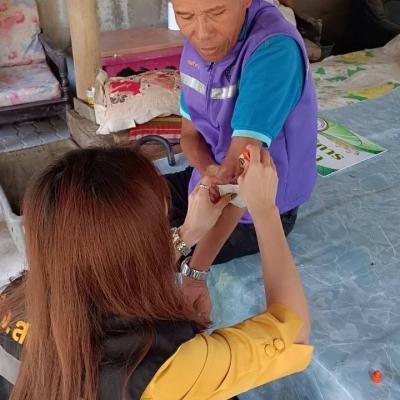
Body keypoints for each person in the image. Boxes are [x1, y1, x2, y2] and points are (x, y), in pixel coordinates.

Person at [0, 146, 312, 400]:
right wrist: (265, 211)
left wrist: (188, 234)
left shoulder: (14, 298)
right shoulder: (161, 370)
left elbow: (107, 270)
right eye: (162, 221)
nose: (168, 225)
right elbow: (293, 332)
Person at [168, 0, 318, 287]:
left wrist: (196, 270)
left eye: (217, 12)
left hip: (255, 208)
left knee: (131, 259)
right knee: (113, 207)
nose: (202, 33)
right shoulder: (198, 44)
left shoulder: (274, 50)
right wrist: (209, 170)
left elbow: (238, 180)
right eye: (185, 16)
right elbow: (189, 135)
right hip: (208, 180)